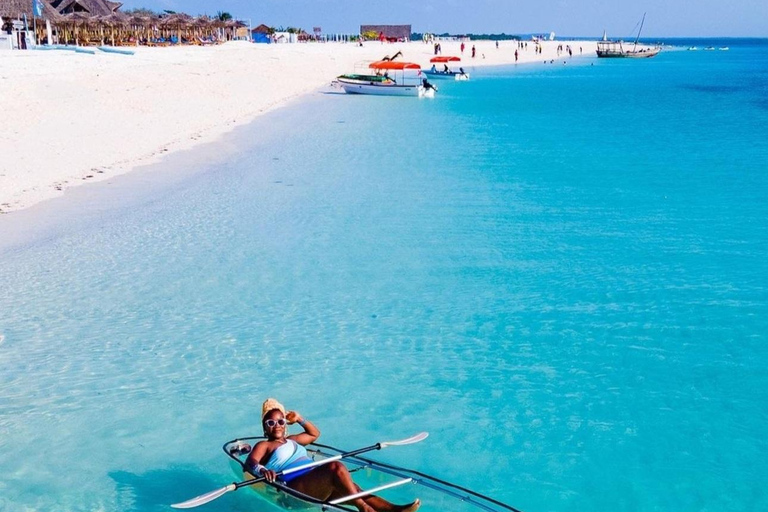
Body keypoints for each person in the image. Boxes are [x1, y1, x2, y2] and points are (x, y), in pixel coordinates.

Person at [246, 399, 420, 512]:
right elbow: (251, 462)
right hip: (294, 490)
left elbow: (314, 434)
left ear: (285, 424)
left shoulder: (293, 440)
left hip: (316, 484)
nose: (276, 425)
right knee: (335, 467)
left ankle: (392, 510)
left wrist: (299, 418)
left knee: (354, 488)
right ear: (265, 427)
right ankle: (364, 508)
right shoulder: (264, 445)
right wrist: (262, 470)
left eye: (280, 421)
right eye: (271, 422)